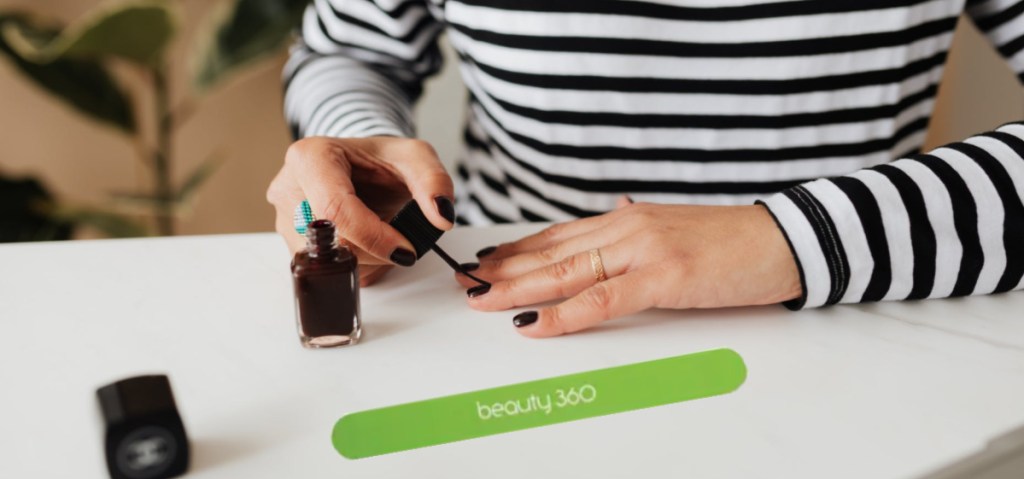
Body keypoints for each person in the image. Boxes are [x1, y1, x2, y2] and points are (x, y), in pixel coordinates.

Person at [267, 0, 1024, 338]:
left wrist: (793, 239)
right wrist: (354, 142)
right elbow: (348, 50)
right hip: (492, 301)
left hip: (861, 310)